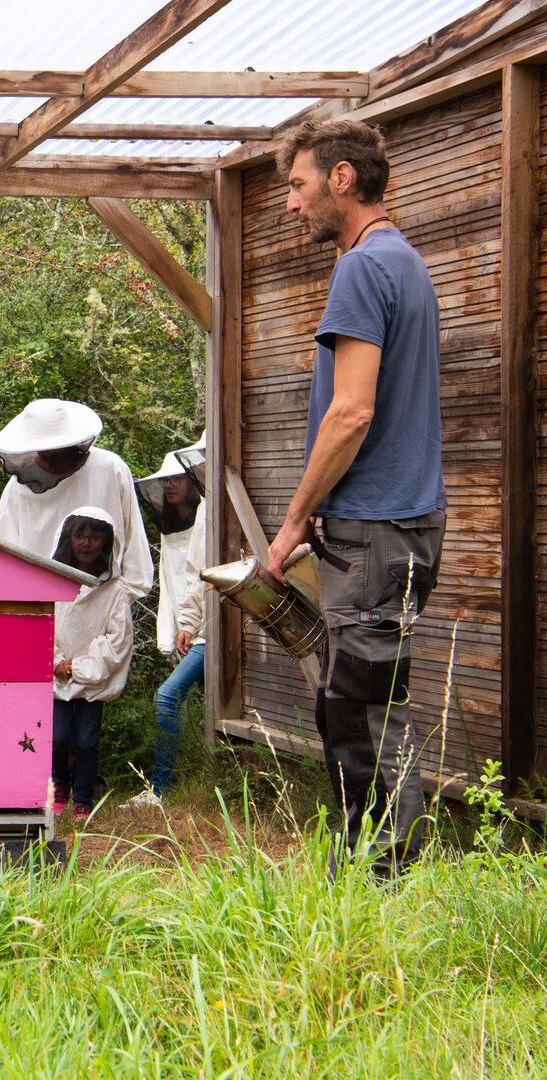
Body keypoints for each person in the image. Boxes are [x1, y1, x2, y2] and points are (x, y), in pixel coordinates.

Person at [265, 119, 445, 874]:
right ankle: (371, 866)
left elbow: (352, 412)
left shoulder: (365, 268)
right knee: (363, 703)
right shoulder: (404, 261)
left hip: (374, 531)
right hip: (399, 525)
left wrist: (293, 521)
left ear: (342, 178)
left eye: (298, 185)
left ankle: (381, 879)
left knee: (362, 714)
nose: (290, 204)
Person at [0, 398, 153, 602]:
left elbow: (132, 537)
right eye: (47, 449)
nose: (54, 453)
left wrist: (120, 599)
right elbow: (3, 555)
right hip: (40, 606)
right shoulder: (16, 489)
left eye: (59, 447)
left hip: (104, 603)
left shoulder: (110, 468)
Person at [123, 443, 207, 810]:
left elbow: (199, 577)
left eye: (176, 478)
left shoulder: (207, 515)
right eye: (165, 480)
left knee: (167, 697)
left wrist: (189, 624)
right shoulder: (171, 528)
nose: (169, 485)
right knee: (186, 705)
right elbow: (173, 584)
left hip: (209, 629)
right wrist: (173, 631)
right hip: (190, 630)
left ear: (192, 479)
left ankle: (161, 789)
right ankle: (186, 782)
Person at [49, 506, 134, 822]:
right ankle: (59, 788)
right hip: (56, 679)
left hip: (92, 683)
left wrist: (78, 668)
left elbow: (117, 640)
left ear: (107, 543)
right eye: (79, 535)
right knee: (57, 738)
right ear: (67, 538)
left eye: (95, 537)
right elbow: (41, 624)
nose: (86, 543)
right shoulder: (53, 581)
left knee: (86, 742)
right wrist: (56, 662)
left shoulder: (114, 591)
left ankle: (83, 799)